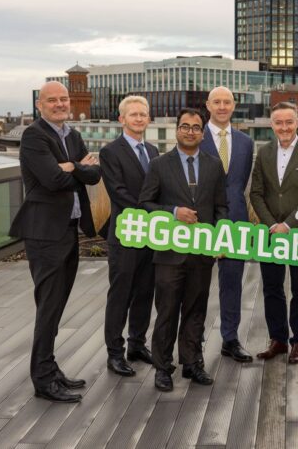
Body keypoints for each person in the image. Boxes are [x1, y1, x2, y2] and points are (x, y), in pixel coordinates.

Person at [10, 81, 101, 403]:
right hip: (45, 233)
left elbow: (94, 175)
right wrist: (78, 167)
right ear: (40, 105)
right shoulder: (34, 136)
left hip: (68, 229)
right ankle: (43, 380)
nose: (60, 104)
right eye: (53, 100)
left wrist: (71, 166)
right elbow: (51, 179)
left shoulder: (71, 135)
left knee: (57, 305)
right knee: (48, 308)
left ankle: (50, 368)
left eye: (64, 99)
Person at [138, 108, 228, 391]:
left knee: (196, 310)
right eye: (185, 126)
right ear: (177, 130)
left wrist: (220, 237)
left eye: (196, 127)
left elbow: (221, 207)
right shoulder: (159, 164)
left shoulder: (214, 165)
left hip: (201, 253)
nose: (190, 131)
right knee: (167, 311)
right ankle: (163, 368)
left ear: (203, 133)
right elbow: (145, 204)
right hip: (169, 253)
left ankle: (192, 363)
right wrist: (174, 212)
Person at [250, 102, 298, 364]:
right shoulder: (264, 152)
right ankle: (278, 339)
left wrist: (288, 225)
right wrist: (273, 225)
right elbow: (256, 193)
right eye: (279, 122)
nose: (284, 127)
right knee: (272, 288)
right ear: (272, 125)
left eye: (289, 122)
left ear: (297, 122)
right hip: (270, 233)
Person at [99, 96, 158, 377]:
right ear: (121, 119)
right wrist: (155, 212)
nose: (139, 118)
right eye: (133, 114)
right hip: (125, 234)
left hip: (151, 235)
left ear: (149, 119)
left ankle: (137, 344)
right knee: (120, 294)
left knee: (145, 291)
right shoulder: (110, 152)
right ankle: (114, 353)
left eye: (143, 114)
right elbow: (118, 193)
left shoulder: (154, 151)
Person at [199, 86, 254, 363]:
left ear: (234, 105)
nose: (222, 107)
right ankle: (193, 341)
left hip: (235, 221)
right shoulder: (195, 137)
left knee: (232, 283)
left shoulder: (246, 142)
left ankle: (230, 339)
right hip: (201, 222)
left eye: (227, 102)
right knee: (196, 284)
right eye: (217, 102)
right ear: (208, 105)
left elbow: (239, 183)